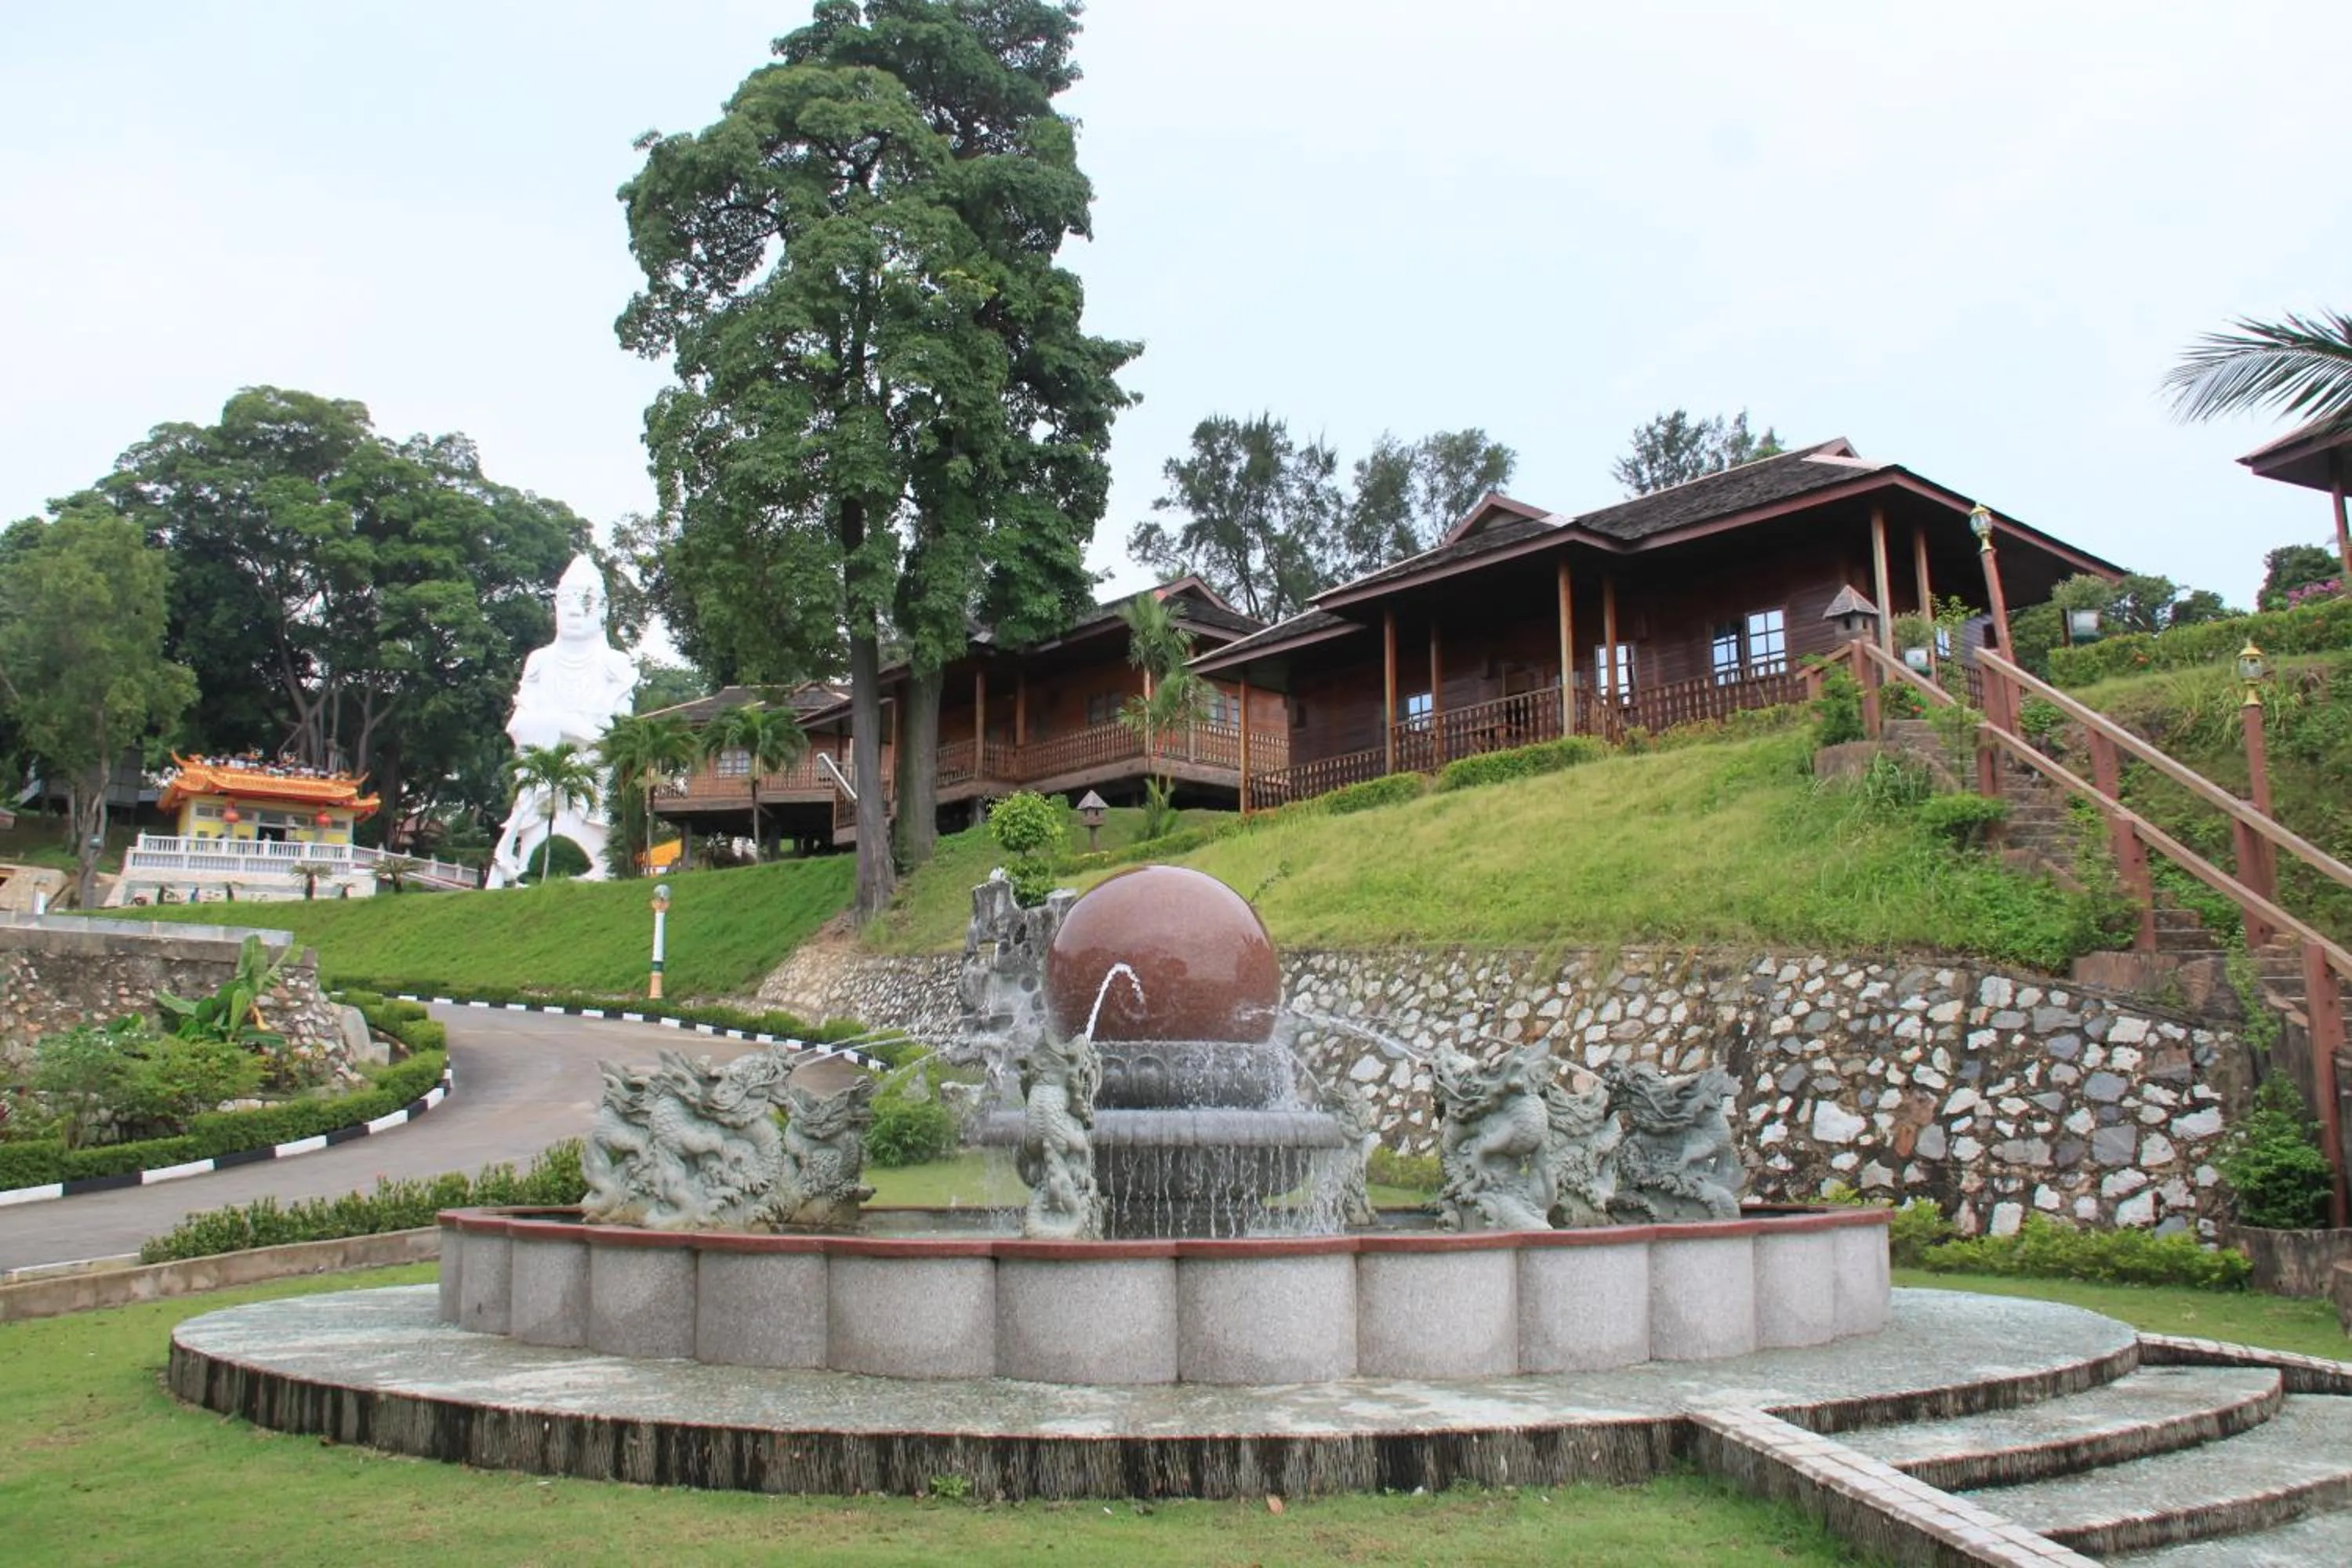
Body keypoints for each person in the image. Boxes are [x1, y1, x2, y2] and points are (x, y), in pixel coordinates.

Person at [487, 555, 637, 886]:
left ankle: (600, 865)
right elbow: (518, 725)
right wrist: (561, 726)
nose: (574, 611)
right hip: (546, 774)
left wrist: (571, 730)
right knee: (538, 773)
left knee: (600, 769)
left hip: (592, 772)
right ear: (556, 606)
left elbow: (620, 735)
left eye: (585, 601)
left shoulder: (616, 664)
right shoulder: (540, 661)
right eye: (566, 600)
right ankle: (528, 865)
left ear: (603, 609)